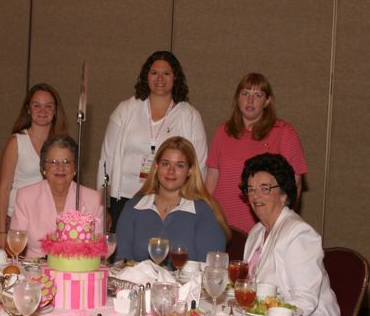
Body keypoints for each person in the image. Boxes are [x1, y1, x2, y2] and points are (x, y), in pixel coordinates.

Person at [98, 51, 207, 232]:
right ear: (146, 76)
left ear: (175, 78)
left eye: (166, 73)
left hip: (170, 202)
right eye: (154, 72)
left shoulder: (190, 116)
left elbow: (199, 165)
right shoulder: (125, 110)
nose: (160, 78)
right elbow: (105, 160)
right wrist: (103, 207)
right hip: (124, 199)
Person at [206, 73, 307, 233]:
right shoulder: (222, 132)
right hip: (221, 224)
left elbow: (295, 184)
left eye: (257, 95)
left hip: (262, 227)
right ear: (237, 98)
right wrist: (205, 216)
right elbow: (211, 179)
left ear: (267, 101)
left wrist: (280, 225)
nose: (250, 100)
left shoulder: (284, 133)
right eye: (245, 94)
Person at [241, 153, 339, 315]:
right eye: (251, 189)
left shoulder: (299, 234)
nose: (255, 196)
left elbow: (305, 301)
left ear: (284, 194)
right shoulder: (256, 231)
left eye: (265, 188)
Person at [116, 136, 230, 263]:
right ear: (157, 166)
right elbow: (122, 261)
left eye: (179, 166)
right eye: (166, 164)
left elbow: (208, 269)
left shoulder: (206, 212)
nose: (171, 171)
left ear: (190, 170)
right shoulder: (133, 207)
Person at [0, 83, 67, 248]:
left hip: (51, 221)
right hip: (17, 220)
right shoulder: (16, 142)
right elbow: (4, 188)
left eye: (48, 106)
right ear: (28, 109)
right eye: (37, 106)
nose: (43, 111)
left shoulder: (63, 146)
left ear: (56, 110)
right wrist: (0, 232)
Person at [10, 135, 104, 259]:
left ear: (75, 168)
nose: (60, 168)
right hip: (35, 272)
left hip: (77, 273)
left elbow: (98, 251)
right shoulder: (25, 197)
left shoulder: (94, 200)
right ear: (43, 168)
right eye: (53, 162)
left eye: (66, 162)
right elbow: (16, 245)